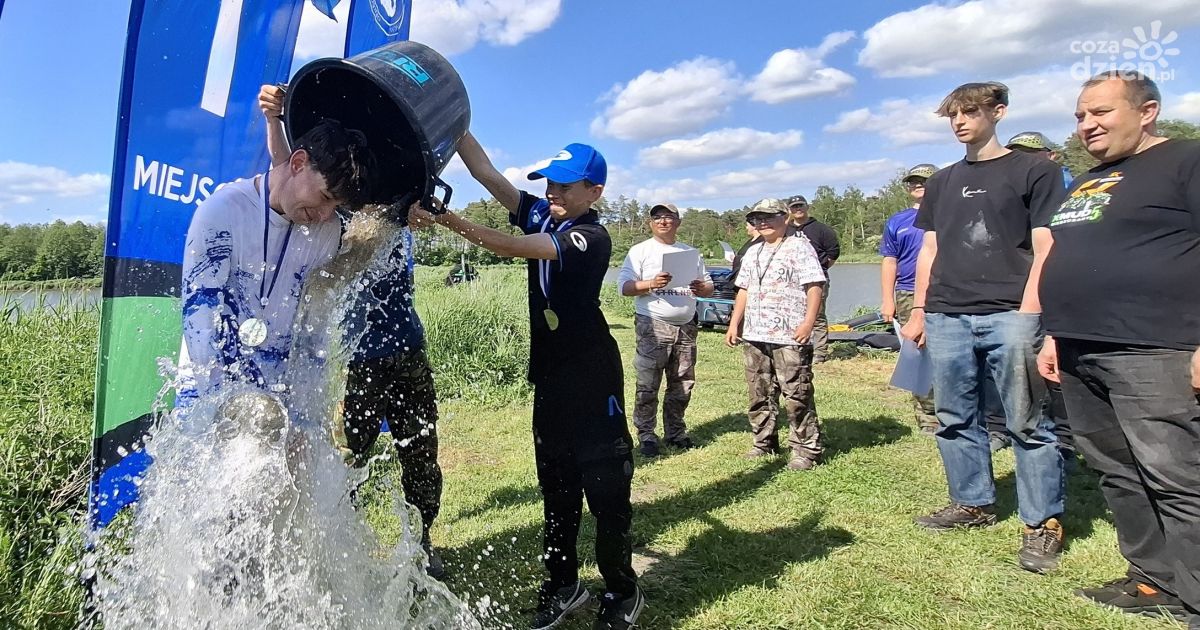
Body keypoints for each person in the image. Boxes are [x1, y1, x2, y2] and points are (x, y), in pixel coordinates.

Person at [409, 133, 644, 630]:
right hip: (552, 379)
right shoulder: (544, 212)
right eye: (549, 184)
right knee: (556, 488)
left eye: (565, 186)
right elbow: (487, 175)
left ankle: (622, 589)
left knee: (605, 493)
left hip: (593, 377)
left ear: (593, 193)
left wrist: (446, 219)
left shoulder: (589, 238)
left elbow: (511, 246)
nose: (553, 193)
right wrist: (457, 124)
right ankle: (563, 585)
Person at [259, 84, 445, 580]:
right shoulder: (331, 223)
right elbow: (287, 180)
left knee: (420, 450)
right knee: (348, 455)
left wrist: (419, 211)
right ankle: (345, 536)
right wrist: (275, 120)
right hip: (358, 362)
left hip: (407, 350)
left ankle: (425, 540)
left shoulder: (395, 217)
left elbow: (415, 192)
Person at [1038, 71, 1200, 625]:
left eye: (1101, 113)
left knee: (1175, 473)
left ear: (1147, 111)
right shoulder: (1088, 181)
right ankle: (1155, 579)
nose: (1087, 125)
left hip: (1155, 345)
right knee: (1116, 469)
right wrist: (1055, 335)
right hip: (1081, 345)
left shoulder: (1187, 161)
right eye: (1082, 116)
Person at [899, 81, 1068, 573]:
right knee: (953, 416)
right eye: (953, 114)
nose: (960, 122)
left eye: (970, 112)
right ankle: (972, 502)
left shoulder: (1035, 169)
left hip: (1010, 312)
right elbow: (929, 249)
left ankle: (1042, 524)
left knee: (1027, 421)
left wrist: (1031, 311)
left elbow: (1045, 244)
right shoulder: (943, 181)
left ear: (999, 112)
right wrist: (919, 312)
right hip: (947, 313)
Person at [179, 114, 376, 405]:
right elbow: (200, 315)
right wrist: (219, 404)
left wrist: (307, 413)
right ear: (298, 163)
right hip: (205, 387)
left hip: (281, 392)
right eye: (324, 197)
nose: (324, 214)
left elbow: (313, 332)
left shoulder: (328, 229)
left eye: (336, 206)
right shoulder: (222, 211)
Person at [725, 199, 826, 471]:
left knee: (796, 392)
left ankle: (805, 449)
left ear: (785, 217)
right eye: (757, 219)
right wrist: (735, 323)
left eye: (768, 217)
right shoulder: (752, 250)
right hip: (755, 333)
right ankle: (764, 442)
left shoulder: (800, 246)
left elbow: (815, 286)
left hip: (790, 333)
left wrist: (808, 323)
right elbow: (743, 290)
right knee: (759, 392)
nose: (762, 223)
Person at [617, 203, 714, 458]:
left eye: (669, 217)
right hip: (653, 323)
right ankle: (647, 435)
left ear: (678, 222)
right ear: (650, 223)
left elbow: (709, 287)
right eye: (657, 217)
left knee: (682, 382)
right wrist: (650, 283)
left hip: (687, 325)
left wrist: (701, 288)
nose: (663, 221)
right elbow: (625, 287)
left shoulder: (691, 252)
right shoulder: (640, 251)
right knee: (648, 382)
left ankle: (676, 433)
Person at [880, 164, 939, 434]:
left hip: (946, 290)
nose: (918, 184)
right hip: (906, 292)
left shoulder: (949, 213)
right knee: (917, 354)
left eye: (925, 180)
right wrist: (887, 299)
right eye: (913, 181)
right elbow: (889, 262)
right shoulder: (897, 221)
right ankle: (928, 417)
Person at [785, 194, 839, 363]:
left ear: (807, 207)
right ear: (789, 210)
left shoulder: (822, 229)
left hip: (817, 279)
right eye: (794, 207)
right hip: (791, 280)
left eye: (800, 206)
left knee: (817, 315)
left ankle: (820, 352)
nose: (798, 209)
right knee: (793, 313)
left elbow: (833, 253)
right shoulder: (785, 230)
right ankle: (798, 347)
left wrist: (820, 270)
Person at [1006, 131, 1074, 187]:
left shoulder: (1062, 182)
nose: (1020, 157)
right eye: (1014, 153)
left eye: (1029, 151)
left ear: (1051, 155)